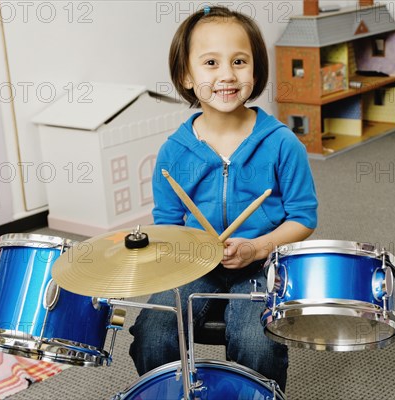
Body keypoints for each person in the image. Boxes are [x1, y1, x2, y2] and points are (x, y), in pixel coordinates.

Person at [129, 5, 318, 391]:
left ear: (256, 68)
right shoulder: (173, 152)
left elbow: (303, 218)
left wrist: (258, 247)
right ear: (186, 74)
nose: (227, 75)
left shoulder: (282, 143)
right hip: (194, 263)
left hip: (261, 262)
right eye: (211, 63)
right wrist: (180, 252)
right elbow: (168, 224)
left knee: (256, 344)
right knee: (152, 334)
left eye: (239, 61)